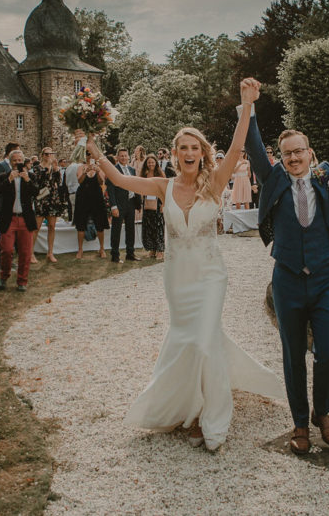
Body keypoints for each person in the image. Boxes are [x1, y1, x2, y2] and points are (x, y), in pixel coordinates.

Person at [90, 78, 283, 452]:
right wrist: (93, 145)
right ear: (175, 154)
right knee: (190, 341)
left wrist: (247, 104)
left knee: (204, 342)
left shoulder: (216, 181)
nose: (190, 152)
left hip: (211, 276)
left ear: (202, 152)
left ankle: (213, 420)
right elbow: (116, 178)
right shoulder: (163, 186)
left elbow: (239, 144)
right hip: (177, 279)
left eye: (195, 147)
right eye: (183, 148)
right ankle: (191, 409)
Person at [245, 86, 329, 455]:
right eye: (287, 153)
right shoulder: (274, 181)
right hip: (286, 281)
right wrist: (250, 107)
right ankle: (300, 423)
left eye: (299, 151)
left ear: (310, 152)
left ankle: (324, 413)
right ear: (281, 158)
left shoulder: (326, 177)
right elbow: (255, 150)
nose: (294, 157)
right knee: (293, 354)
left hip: (322, 280)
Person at [0, 149, 37, 292]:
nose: (17, 163)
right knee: (6, 250)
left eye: (20, 160)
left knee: (25, 252)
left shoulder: (30, 176)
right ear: (10, 162)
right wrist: (9, 180)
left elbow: (37, 192)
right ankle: (4, 276)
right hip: (9, 218)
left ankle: (22, 281)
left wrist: (27, 180)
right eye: (14, 160)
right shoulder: (3, 176)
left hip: (25, 218)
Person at [32, 148, 68, 263]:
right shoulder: (37, 168)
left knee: (52, 226)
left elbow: (59, 182)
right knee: (36, 227)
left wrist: (56, 169)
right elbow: (37, 182)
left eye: (50, 154)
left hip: (53, 198)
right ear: (42, 155)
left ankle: (50, 252)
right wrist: (47, 170)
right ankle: (30, 253)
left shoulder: (55, 167)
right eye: (46, 154)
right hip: (41, 198)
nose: (48, 156)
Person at [105, 147, 138, 263]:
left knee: (130, 229)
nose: (124, 158)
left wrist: (137, 204)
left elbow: (135, 185)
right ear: (117, 157)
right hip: (118, 204)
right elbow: (111, 188)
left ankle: (130, 253)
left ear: (128, 157)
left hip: (131, 202)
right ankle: (115, 255)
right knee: (116, 230)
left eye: (125, 155)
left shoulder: (132, 170)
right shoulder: (113, 170)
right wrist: (113, 206)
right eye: (121, 156)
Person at [72, 159, 109, 259]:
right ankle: (80, 250)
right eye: (87, 154)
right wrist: (85, 171)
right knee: (81, 224)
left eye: (90, 154)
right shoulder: (80, 167)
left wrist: (97, 171)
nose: (89, 156)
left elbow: (101, 182)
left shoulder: (99, 167)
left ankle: (102, 249)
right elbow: (80, 181)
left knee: (100, 223)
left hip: (97, 197)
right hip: (83, 197)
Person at [139, 154, 165, 259]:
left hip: (158, 203)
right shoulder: (144, 174)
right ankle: (152, 249)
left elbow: (164, 190)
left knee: (158, 227)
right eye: (149, 162)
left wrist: (163, 204)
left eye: (152, 162)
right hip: (147, 203)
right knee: (148, 227)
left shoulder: (160, 174)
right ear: (146, 164)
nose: (151, 164)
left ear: (156, 163)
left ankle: (160, 250)